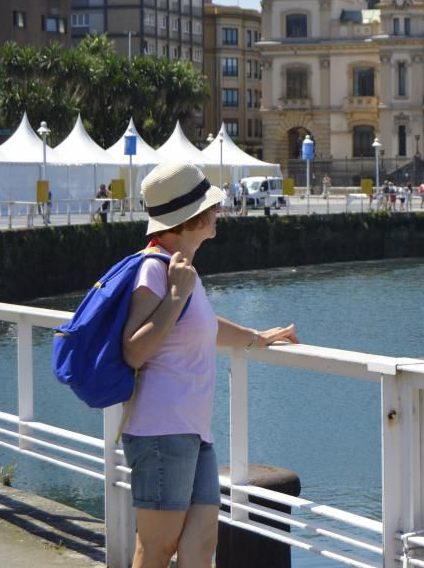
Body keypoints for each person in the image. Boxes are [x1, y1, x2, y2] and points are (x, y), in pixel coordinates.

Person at [121, 161, 298, 568]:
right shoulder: (155, 268)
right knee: (156, 549)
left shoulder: (181, 268)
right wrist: (177, 296)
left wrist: (258, 336)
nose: (218, 211)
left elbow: (204, 326)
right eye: (211, 206)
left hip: (193, 431)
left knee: (201, 544)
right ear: (191, 217)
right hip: (162, 431)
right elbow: (134, 349)